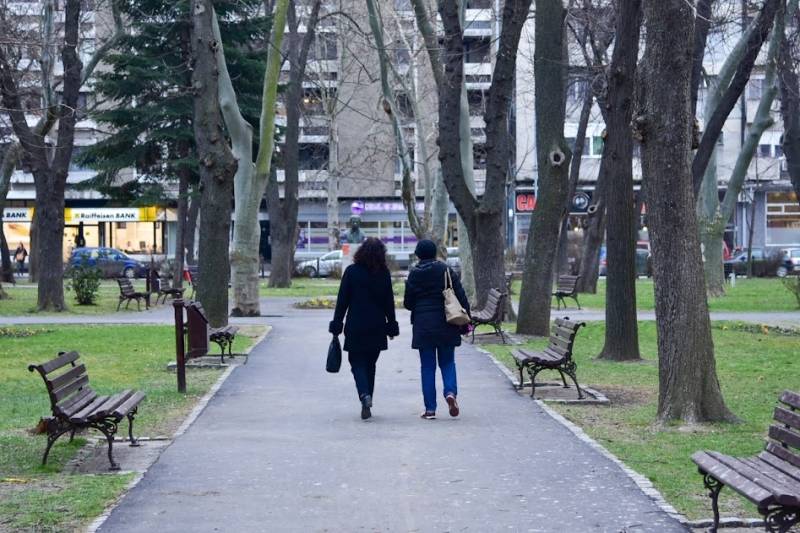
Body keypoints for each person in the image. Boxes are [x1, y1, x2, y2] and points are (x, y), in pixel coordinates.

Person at [329, 237, 399, 420]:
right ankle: (368, 399)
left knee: (356, 362)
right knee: (371, 365)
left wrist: (337, 323)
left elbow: (342, 301)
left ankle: (364, 396)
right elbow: (388, 303)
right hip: (376, 326)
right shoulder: (383, 273)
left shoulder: (352, 272)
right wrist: (391, 325)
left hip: (356, 325)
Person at [404, 239, 470, 420]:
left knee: (427, 367)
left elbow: (408, 304)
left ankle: (430, 409)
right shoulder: (445, 270)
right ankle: (450, 393)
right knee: (447, 362)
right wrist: (466, 321)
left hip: (423, 326)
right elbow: (461, 296)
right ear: (435, 253)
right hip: (447, 323)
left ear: (418, 254)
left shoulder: (414, 274)